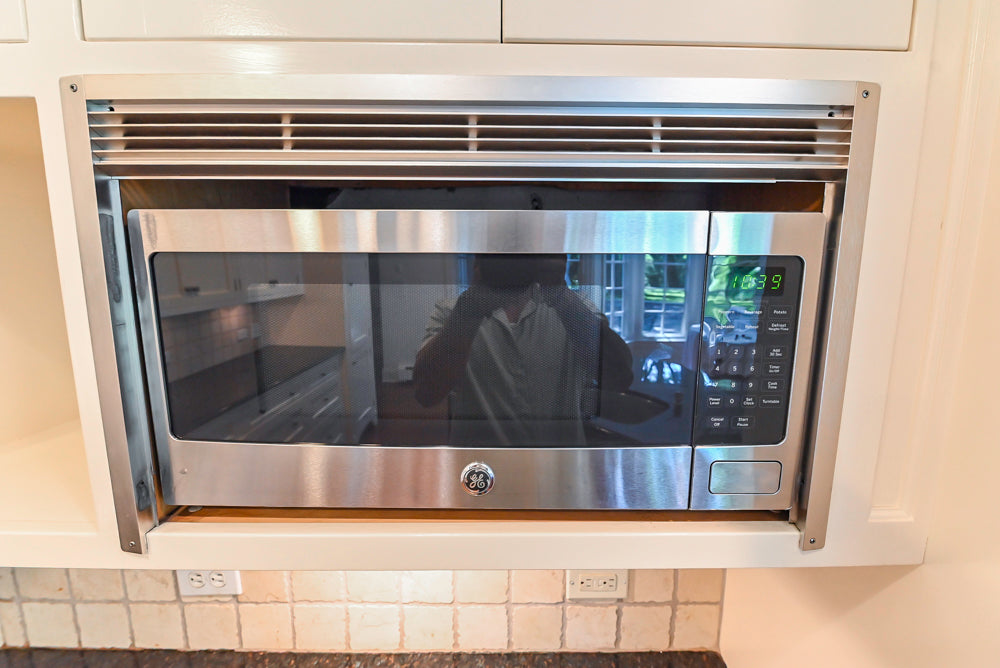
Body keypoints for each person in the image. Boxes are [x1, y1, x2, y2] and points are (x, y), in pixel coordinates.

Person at [412, 254, 632, 446]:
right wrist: (471, 307)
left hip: (548, 469)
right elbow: (426, 392)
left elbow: (619, 377)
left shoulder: (573, 307)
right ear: (478, 262)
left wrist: (560, 295)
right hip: (482, 468)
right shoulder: (456, 311)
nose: (513, 265)